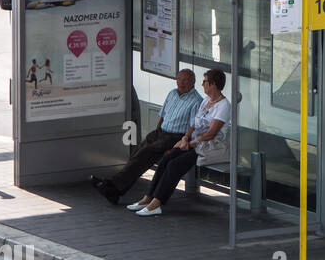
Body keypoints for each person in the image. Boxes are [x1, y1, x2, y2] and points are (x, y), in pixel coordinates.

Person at [91, 68, 202, 205]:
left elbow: (194, 126)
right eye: (179, 79)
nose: (181, 83)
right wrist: (156, 132)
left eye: (185, 80)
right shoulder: (172, 93)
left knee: (144, 154)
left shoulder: (196, 101)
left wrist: (178, 146)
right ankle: (115, 188)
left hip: (175, 137)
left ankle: (113, 187)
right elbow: (163, 115)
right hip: (161, 132)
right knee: (137, 153)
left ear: (193, 82)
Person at [129, 69, 230, 217]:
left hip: (208, 148)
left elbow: (211, 134)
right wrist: (185, 138)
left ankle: (157, 203)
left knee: (174, 165)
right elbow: (194, 124)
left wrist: (191, 143)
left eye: (205, 82)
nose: (203, 85)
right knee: (166, 159)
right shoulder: (206, 101)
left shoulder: (223, 105)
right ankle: (147, 198)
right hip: (193, 142)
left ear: (213, 84)